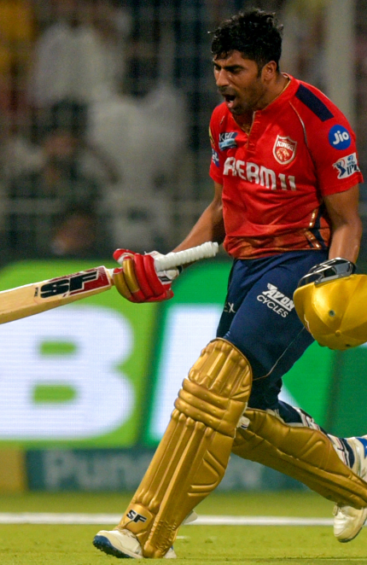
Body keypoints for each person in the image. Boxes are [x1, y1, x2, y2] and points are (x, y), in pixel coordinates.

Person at [92, 10, 366, 559]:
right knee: (243, 419)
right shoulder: (223, 120)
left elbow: (347, 221)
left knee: (215, 375)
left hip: (299, 268)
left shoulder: (319, 120)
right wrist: (169, 262)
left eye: (235, 69)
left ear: (269, 68)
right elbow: (221, 209)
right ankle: (352, 471)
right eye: (218, 68)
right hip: (246, 268)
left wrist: (335, 276)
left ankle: (147, 529)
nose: (222, 80)